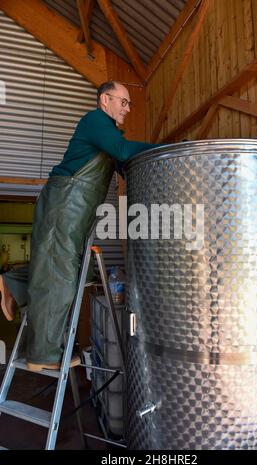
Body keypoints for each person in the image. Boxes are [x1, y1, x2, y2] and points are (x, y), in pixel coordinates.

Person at [0, 80, 161, 371]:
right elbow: (124, 151)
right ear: (105, 100)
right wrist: (163, 148)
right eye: (123, 102)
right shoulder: (95, 121)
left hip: (77, 212)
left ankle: (12, 282)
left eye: (129, 103)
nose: (127, 108)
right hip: (63, 206)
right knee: (59, 273)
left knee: (71, 270)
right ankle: (43, 354)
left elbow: (124, 162)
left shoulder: (108, 135)